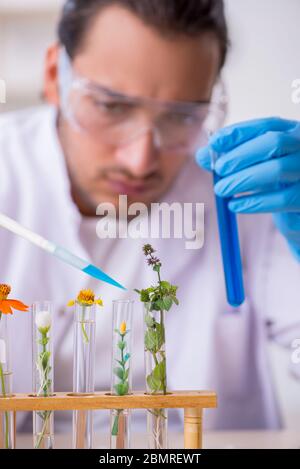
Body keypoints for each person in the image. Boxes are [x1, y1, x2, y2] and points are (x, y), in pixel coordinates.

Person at [0, 0, 299, 433]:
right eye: (111, 107)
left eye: (181, 117)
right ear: (53, 76)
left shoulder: (249, 197)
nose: (140, 160)